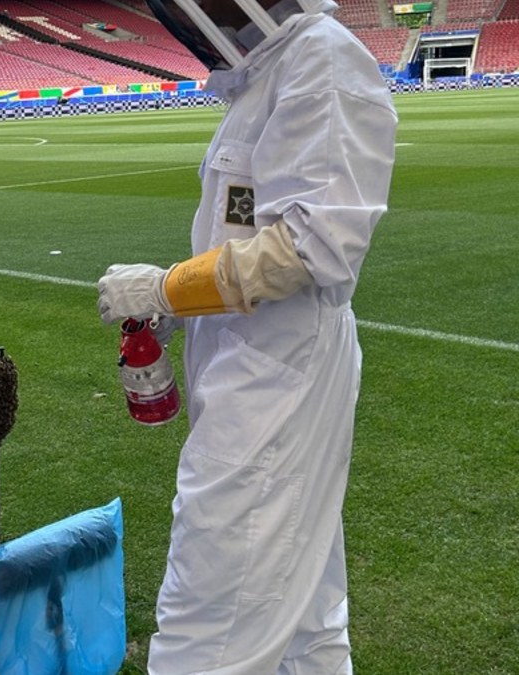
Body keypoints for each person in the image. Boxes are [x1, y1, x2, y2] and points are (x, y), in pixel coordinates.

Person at [95, 1, 397, 673]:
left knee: (205, 624)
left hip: (276, 383)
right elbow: (243, 238)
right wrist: (179, 304)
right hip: (253, 369)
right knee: (308, 623)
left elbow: (311, 246)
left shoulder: (320, 59)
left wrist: (165, 288)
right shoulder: (266, 74)